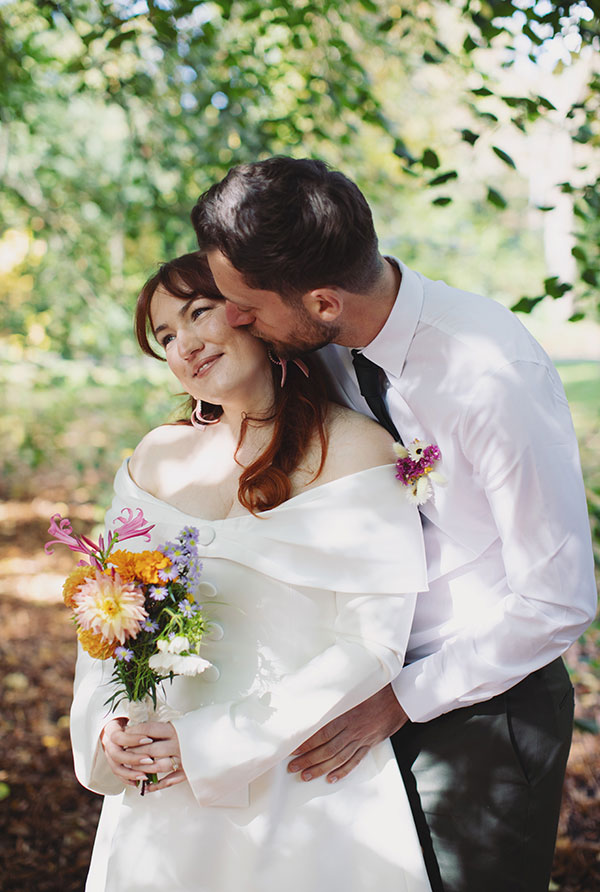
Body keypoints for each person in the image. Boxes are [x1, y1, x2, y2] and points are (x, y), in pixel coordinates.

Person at [191, 157, 598, 892]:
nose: (235, 319)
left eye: (245, 305)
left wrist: (399, 701)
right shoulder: (323, 349)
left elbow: (558, 598)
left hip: (481, 706)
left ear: (322, 301)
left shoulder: (490, 376)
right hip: (358, 686)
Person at [70, 253, 433, 892]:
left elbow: (372, 643)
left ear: (253, 312)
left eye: (198, 313)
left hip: (302, 777)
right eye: (165, 337)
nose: (184, 345)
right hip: (159, 780)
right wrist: (108, 721)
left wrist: (213, 744)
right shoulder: (156, 458)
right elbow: (108, 612)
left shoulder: (357, 448)